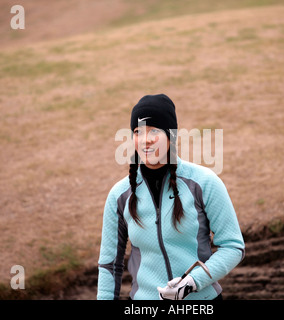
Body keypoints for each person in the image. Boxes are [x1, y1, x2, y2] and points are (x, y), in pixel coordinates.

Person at [97, 94, 245, 300]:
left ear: (171, 136)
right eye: (138, 132)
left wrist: (192, 282)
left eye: (154, 131)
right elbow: (109, 265)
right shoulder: (119, 196)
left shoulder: (204, 183)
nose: (145, 139)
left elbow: (233, 246)